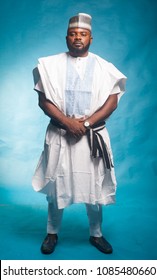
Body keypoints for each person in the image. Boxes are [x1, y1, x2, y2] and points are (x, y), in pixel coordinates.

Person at [32, 13, 127, 255]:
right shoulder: (49, 65)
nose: (77, 38)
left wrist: (85, 125)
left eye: (82, 34)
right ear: (66, 37)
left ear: (91, 38)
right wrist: (67, 122)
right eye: (73, 34)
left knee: (93, 187)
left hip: (91, 137)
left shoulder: (105, 68)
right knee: (56, 185)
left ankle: (96, 234)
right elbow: (44, 101)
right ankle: (52, 233)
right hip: (60, 134)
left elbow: (112, 102)